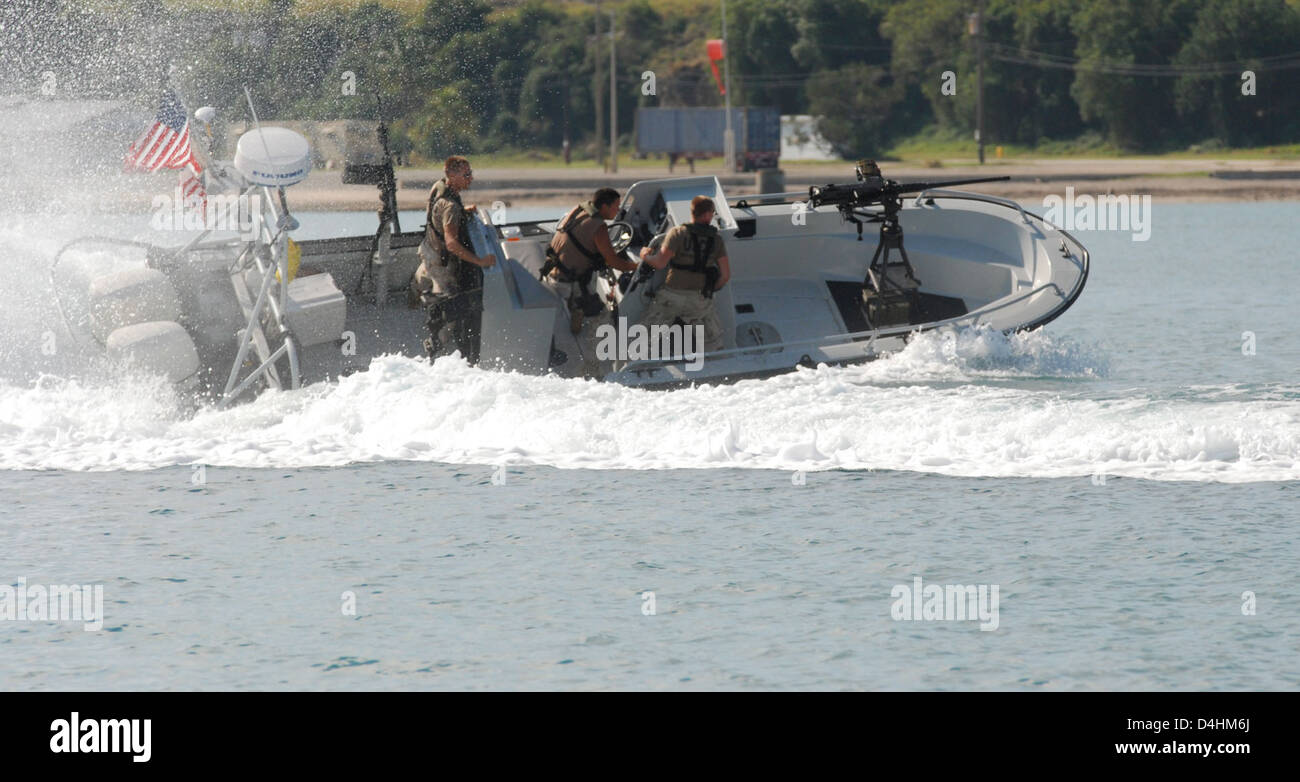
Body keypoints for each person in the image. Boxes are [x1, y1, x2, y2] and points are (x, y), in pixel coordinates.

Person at [539, 187, 638, 374]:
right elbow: (614, 262)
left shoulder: (578, 211)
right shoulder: (598, 227)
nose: (618, 211)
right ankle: (594, 369)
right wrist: (638, 265)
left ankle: (577, 312)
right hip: (569, 282)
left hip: (553, 273)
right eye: (615, 207)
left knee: (588, 295)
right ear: (604, 206)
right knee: (603, 321)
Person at [411, 156, 496, 364]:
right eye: (466, 175)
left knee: (426, 285)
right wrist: (480, 261)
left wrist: (461, 212)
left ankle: (419, 293)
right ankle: (434, 347)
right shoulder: (450, 206)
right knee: (454, 310)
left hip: (428, 251)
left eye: (470, 173)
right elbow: (452, 244)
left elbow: (435, 216)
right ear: (451, 175)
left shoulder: (439, 187)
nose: (471, 178)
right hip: (440, 263)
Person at [637, 195, 730, 354]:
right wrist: (709, 291)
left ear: (692, 212)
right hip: (699, 299)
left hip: (672, 296)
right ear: (708, 214)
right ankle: (718, 367)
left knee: (646, 337)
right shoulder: (716, 240)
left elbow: (659, 263)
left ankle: (637, 367)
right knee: (713, 340)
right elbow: (725, 276)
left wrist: (644, 255)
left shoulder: (677, 233)